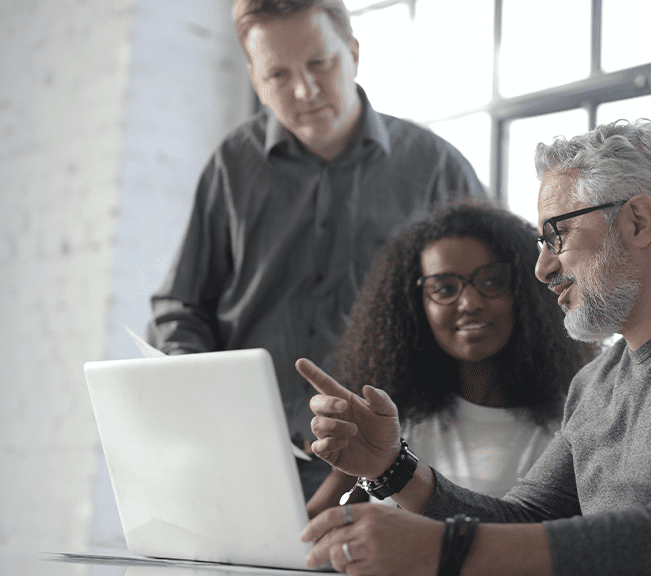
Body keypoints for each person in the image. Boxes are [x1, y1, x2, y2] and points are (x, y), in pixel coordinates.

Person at [295, 119, 651, 576]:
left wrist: (444, 550)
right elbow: (527, 521)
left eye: (556, 236)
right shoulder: (598, 381)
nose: (542, 268)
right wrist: (392, 470)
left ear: (637, 219)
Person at [146, 0, 485, 499]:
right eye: (278, 74)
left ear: (352, 53)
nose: (304, 91)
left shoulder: (435, 167)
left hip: (392, 467)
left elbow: (480, 312)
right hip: (245, 461)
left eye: (319, 64)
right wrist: (203, 395)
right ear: (255, 80)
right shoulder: (231, 167)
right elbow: (181, 306)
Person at [305, 202, 598, 518]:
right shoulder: (391, 417)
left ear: (523, 291)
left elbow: (526, 545)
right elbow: (308, 536)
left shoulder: (566, 425)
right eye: (444, 288)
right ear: (416, 304)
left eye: (491, 281)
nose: (469, 303)